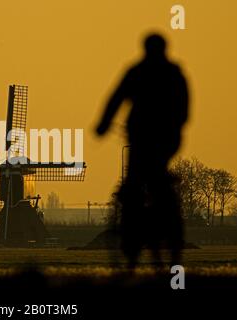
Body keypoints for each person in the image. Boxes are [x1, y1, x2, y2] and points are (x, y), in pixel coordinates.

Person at [95, 33, 189, 267]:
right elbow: (185, 107)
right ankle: (166, 222)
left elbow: (116, 98)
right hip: (167, 138)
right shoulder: (174, 73)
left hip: (143, 137)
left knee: (133, 184)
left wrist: (103, 124)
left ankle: (132, 237)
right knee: (158, 177)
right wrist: (176, 125)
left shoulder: (137, 71)